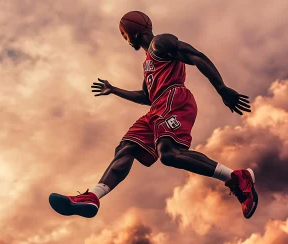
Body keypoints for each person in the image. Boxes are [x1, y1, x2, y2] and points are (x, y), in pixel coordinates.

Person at [49, 11, 258, 219]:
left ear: (132, 32)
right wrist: (113, 89)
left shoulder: (160, 43)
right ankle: (93, 196)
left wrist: (222, 89)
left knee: (169, 154)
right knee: (127, 147)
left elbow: (196, 56)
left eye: (124, 35)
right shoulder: (148, 63)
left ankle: (237, 177)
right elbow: (146, 96)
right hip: (157, 106)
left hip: (174, 99)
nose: (125, 40)